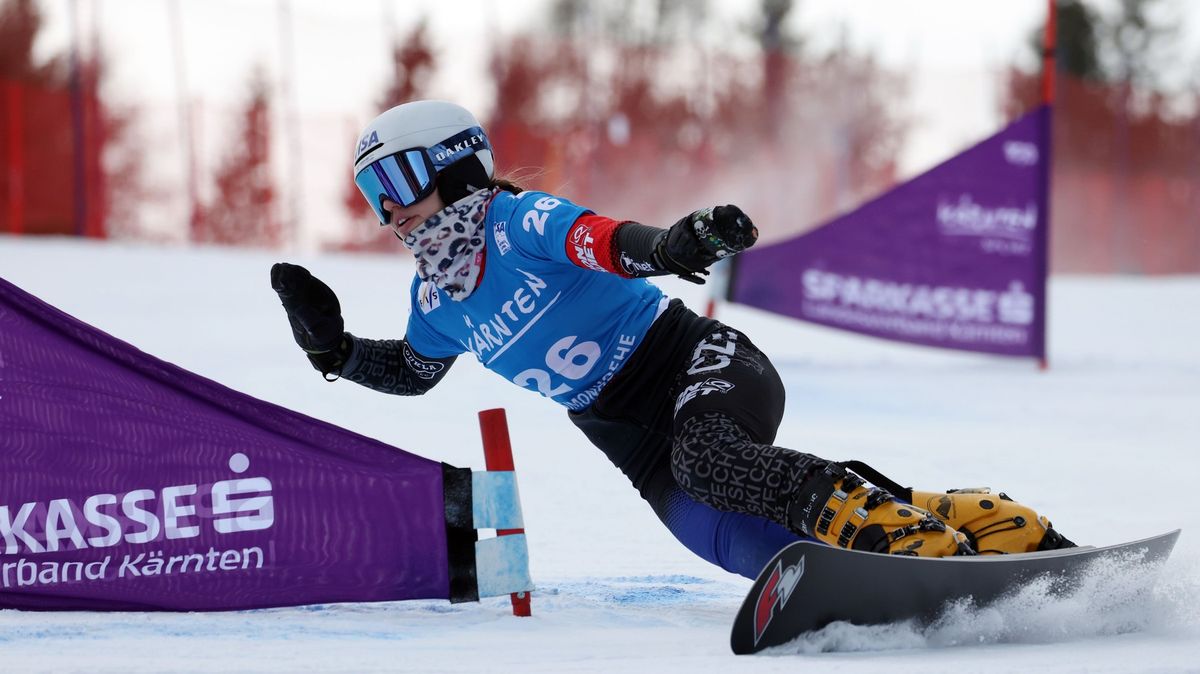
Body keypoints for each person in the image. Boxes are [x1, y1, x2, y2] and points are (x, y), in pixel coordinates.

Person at [271, 100, 1074, 579]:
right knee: (753, 547)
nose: (391, 214)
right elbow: (413, 374)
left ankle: (903, 539)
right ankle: (983, 524)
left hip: (701, 365)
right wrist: (334, 350)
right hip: (639, 450)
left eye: (397, 185)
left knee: (712, 458)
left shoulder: (519, 221)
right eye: (373, 197)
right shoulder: (435, 298)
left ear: (454, 167)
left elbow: (606, 240)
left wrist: (676, 247)